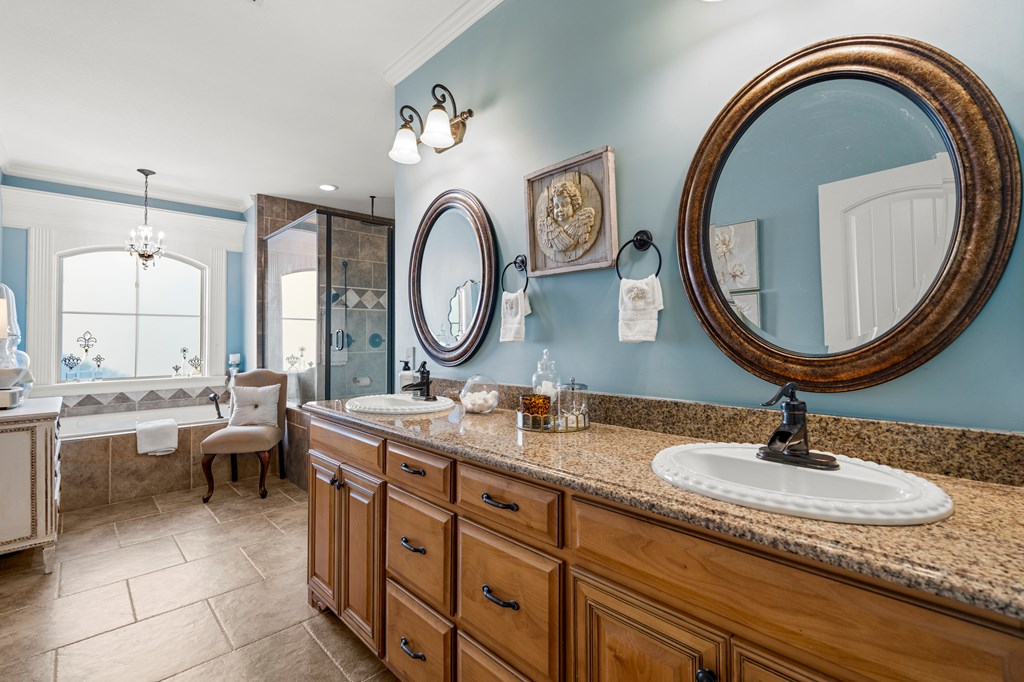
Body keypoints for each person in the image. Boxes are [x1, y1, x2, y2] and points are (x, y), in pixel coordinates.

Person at [538, 178, 597, 261]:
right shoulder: (548, 225)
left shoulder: (581, 221)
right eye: (556, 206)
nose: (560, 209)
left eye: (565, 205)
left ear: (574, 205)